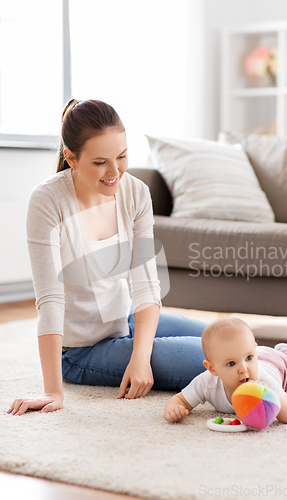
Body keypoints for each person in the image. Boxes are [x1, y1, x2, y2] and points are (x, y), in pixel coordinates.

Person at [7, 99, 207, 417]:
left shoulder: (136, 192)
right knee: (207, 357)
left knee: (224, 338)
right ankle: (272, 369)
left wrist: (140, 356)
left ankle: (275, 361)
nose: (115, 172)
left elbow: (146, 286)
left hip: (122, 318)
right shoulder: (47, 201)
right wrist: (52, 391)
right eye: (100, 162)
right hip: (80, 350)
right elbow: (50, 299)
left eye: (122, 156)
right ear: (70, 158)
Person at [164, 317, 287, 424]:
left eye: (248, 358)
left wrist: (270, 396)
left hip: (276, 364)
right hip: (259, 355)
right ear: (212, 368)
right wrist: (173, 409)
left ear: (254, 350)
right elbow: (180, 400)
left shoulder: (262, 379)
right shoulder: (206, 382)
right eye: (231, 363)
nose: (244, 369)